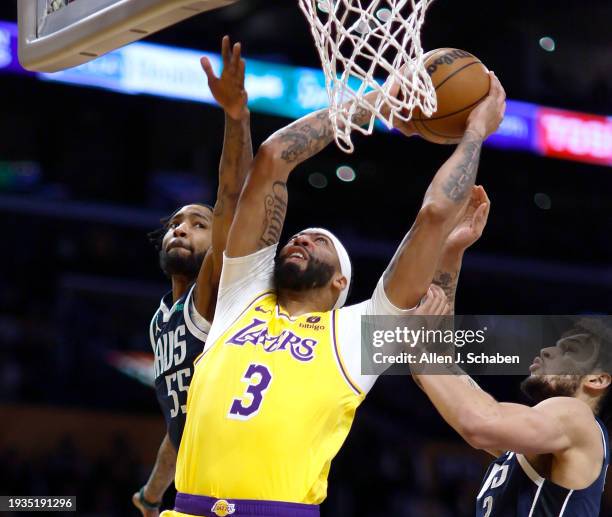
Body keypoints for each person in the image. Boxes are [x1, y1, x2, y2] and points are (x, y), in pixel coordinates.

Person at [159, 67, 505, 517]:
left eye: (318, 241)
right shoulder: (241, 297)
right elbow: (273, 157)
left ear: (341, 281)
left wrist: (475, 131)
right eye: (298, 236)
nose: (300, 239)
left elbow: (436, 214)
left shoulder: (359, 333)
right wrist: (378, 101)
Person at [132, 36, 252, 517]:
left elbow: (231, 194)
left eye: (198, 224)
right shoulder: (162, 320)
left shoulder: (210, 294)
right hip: (198, 487)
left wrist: (235, 117)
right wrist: (150, 494)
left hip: (243, 483)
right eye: (176, 224)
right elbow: (176, 427)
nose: (181, 228)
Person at [413, 291, 611, 515]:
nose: (546, 350)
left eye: (569, 350)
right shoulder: (536, 446)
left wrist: (416, 347)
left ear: (597, 379)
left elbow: (477, 422)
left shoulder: (576, 415)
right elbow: (455, 393)